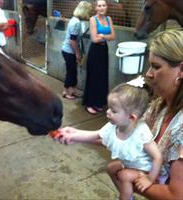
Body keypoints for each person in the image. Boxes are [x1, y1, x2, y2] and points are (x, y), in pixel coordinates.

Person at [53, 77, 163, 200]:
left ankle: (125, 197)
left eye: (114, 110)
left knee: (125, 176)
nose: (108, 112)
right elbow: (94, 135)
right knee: (111, 168)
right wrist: (72, 133)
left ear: (132, 117)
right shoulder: (113, 125)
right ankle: (126, 193)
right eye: (109, 107)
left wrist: (149, 179)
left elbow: (157, 157)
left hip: (145, 170)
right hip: (130, 164)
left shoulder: (141, 132)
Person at [123, 29, 182, 200]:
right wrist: (78, 136)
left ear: (181, 70)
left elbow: (177, 195)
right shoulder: (159, 106)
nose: (148, 73)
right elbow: (127, 134)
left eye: (156, 67)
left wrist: (125, 177)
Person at [82, 0, 115, 114]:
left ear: (106, 7)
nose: (101, 8)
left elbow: (113, 36)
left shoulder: (108, 19)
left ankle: (98, 102)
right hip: (95, 51)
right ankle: (89, 103)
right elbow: (94, 39)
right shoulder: (93, 19)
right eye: (99, 6)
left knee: (102, 76)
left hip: (104, 50)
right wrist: (106, 36)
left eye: (103, 5)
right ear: (96, 8)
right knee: (94, 76)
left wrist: (103, 36)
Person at [61, 1, 93, 100]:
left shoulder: (74, 19)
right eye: (88, 12)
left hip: (67, 50)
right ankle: (66, 92)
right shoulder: (77, 23)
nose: (89, 14)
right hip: (69, 51)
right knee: (71, 72)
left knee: (72, 71)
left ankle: (71, 91)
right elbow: (73, 41)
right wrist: (78, 54)